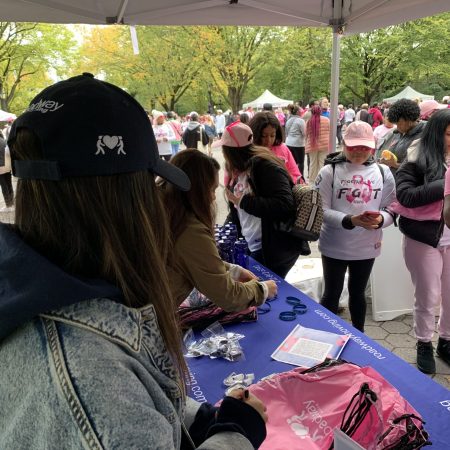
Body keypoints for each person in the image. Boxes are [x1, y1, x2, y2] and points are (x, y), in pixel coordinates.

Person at [0, 73, 268, 449]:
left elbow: (141, 394)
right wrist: (237, 431)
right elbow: (116, 409)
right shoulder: (93, 378)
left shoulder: (49, 293)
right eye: (150, 185)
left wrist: (194, 418)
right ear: (128, 201)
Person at [160, 149, 277, 307]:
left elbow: (198, 260)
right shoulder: (189, 230)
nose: (213, 197)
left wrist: (233, 270)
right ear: (196, 190)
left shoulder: (164, 210)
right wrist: (262, 289)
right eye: (211, 189)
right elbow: (227, 295)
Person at [314, 121, 396, 332]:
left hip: (366, 246)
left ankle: (360, 336)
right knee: (332, 293)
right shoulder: (329, 171)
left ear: (373, 146)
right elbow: (320, 210)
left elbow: (392, 207)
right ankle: (327, 335)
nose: (359, 151)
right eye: (353, 146)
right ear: (343, 144)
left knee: (358, 293)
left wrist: (381, 220)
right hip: (334, 245)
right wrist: (350, 220)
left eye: (365, 147)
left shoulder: (383, 171)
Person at [216, 121, 309, 278]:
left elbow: (285, 204)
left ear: (230, 151)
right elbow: (237, 211)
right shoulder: (238, 170)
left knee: (264, 297)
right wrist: (225, 233)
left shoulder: (264, 166)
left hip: (274, 248)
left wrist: (243, 202)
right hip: (254, 245)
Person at [395, 109, 450, 374]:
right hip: (425, 238)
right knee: (428, 295)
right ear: (436, 134)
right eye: (449, 134)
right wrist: (445, 184)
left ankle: (446, 341)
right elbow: (405, 196)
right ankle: (424, 342)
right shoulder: (416, 159)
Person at [249, 111, 302, 184]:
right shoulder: (249, 150)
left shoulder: (282, 148)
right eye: (264, 136)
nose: (268, 140)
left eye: (272, 135)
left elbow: (296, 174)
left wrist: (285, 181)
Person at [378, 99, 426, 174]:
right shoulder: (397, 133)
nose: (397, 127)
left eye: (399, 124)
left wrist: (396, 165)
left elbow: (421, 168)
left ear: (409, 120)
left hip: (408, 182)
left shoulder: (424, 135)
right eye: (395, 124)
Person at [305, 105, 330, 184]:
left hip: (312, 145)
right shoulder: (326, 120)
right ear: (320, 111)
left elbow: (306, 134)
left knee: (313, 164)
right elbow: (329, 131)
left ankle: (312, 182)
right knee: (322, 163)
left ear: (312, 112)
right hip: (324, 144)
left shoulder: (309, 121)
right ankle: (321, 181)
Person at [285, 104, 306, 174]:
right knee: (300, 162)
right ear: (297, 112)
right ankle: (301, 178)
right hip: (298, 144)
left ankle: (292, 176)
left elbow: (286, 132)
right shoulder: (300, 121)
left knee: (292, 162)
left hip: (288, 143)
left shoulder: (288, 120)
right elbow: (304, 133)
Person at [0, 131, 14, 212]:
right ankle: (11, 203)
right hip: (7, 165)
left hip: (1, 167)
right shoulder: (3, 140)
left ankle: (8, 205)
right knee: (9, 184)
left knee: (4, 186)